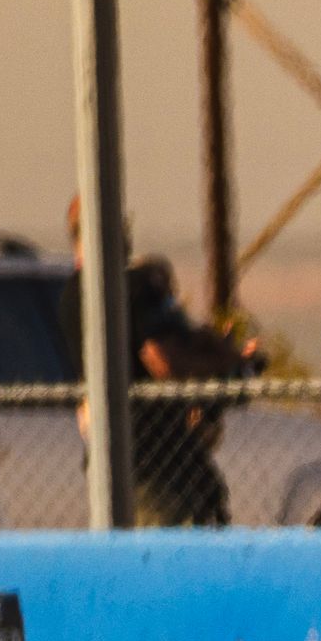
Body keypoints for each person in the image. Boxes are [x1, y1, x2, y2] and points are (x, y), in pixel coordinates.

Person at [57, 197, 233, 526]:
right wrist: (220, 360)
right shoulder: (131, 287)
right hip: (156, 461)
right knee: (169, 544)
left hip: (110, 458)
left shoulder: (69, 295)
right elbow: (163, 362)